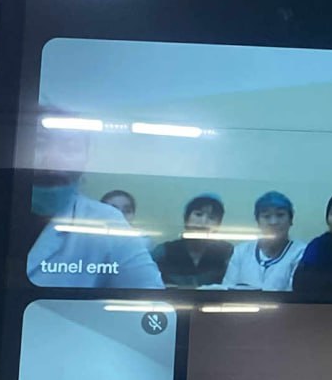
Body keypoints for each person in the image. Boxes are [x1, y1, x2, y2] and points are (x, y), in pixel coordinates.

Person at [26, 117, 163, 289]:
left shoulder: (107, 220)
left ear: (86, 161)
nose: (52, 160)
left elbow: (150, 296)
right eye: (39, 144)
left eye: (70, 148)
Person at [221, 191, 307, 292]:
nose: (273, 222)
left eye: (280, 215)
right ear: (258, 221)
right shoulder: (241, 251)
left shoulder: (301, 252)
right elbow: (226, 290)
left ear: (291, 220)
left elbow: (295, 296)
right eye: (266, 216)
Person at [152, 194, 234, 288]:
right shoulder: (164, 251)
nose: (203, 222)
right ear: (186, 218)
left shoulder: (227, 253)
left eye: (211, 218)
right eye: (198, 214)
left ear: (218, 225)